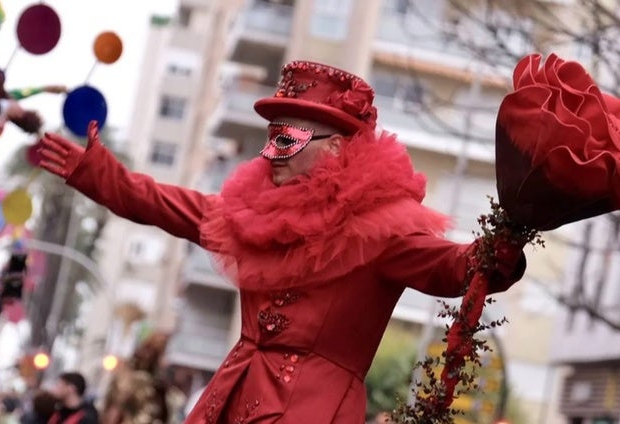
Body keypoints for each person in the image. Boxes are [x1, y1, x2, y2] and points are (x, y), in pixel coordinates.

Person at [37, 60, 527, 423]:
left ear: (335, 148)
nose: (272, 154)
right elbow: (168, 205)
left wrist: (499, 249)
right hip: (232, 397)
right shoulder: (254, 216)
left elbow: (454, 266)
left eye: (287, 139)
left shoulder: (380, 229)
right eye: (269, 138)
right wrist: (98, 174)